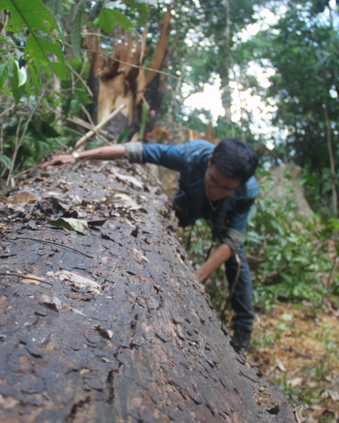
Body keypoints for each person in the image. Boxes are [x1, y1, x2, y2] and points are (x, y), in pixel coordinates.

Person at [40, 139, 259, 351]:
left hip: (226, 212)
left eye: (226, 188)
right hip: (190, 198)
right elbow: (133, 151)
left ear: (239, 185)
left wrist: (196, 278)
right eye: (214, 180)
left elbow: (231, 241)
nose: (217, 190)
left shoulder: (247, 191)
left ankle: (243, 327)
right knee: (171, 227)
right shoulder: (189, 156)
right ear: (210, 162)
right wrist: (77, 156)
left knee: (236, 258)